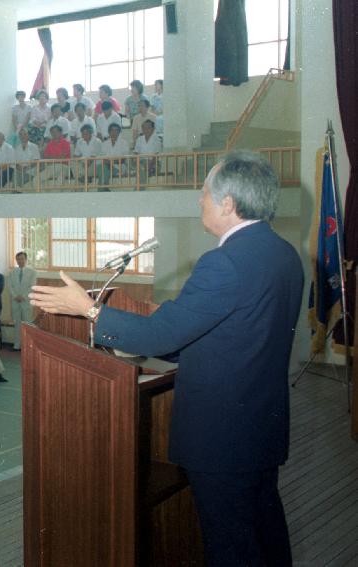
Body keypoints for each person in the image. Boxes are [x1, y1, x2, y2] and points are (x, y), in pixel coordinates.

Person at [29, 151, 303, 567]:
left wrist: (88, 309)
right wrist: (155, 330)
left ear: (228, 203)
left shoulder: (225, 262)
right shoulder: (284, 255)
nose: (199, 201)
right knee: (264, 532)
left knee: (231, 546)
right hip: (260, 428)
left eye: (205, 193)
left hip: (221, 437)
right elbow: (235, 334)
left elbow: (162, 335)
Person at [8, 251, 37, 351]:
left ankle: (28, 345)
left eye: (22, 259)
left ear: (26, 259)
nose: (20, 261)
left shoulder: (32, 272)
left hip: (26, 301)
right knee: (17, 323)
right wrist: (16, 296)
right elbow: (10, 286)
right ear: (16, 260)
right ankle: (17, 345)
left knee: (27, 323)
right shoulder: (12, 272)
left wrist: (23, 296)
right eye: (18, 259)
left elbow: (32, 286)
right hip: (15, 301)